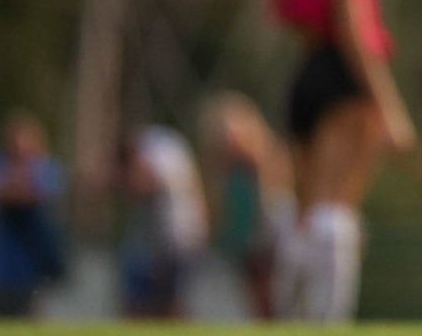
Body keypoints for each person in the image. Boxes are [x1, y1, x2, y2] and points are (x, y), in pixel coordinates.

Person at [265, 0, 416, 323]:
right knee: (336, 211)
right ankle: (328, 325)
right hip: (345, 78)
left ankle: (287, 312)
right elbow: (354, 34)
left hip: (305, 71)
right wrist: (390, 108)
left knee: (304, 210)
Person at [199, 92, 294, 320]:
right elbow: (216, 211)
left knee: (275, 298)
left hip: (272, 240)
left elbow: (281, 200)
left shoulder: (269, 160)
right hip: (243, 244)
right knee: (255, 304)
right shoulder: (224, 172)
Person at [0, 112, 67, 318]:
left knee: (30, 314)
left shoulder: (43, 166)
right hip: (2, 263)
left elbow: (36, 195)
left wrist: (8, 188)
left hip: (34, 261)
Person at [118, 124, 210, 319]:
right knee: (167, 301)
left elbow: (145, 183)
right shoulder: (165, 144)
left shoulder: (151, 149)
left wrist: (115, 183)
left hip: (174, 238)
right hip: (184, 234)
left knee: (161, 303)